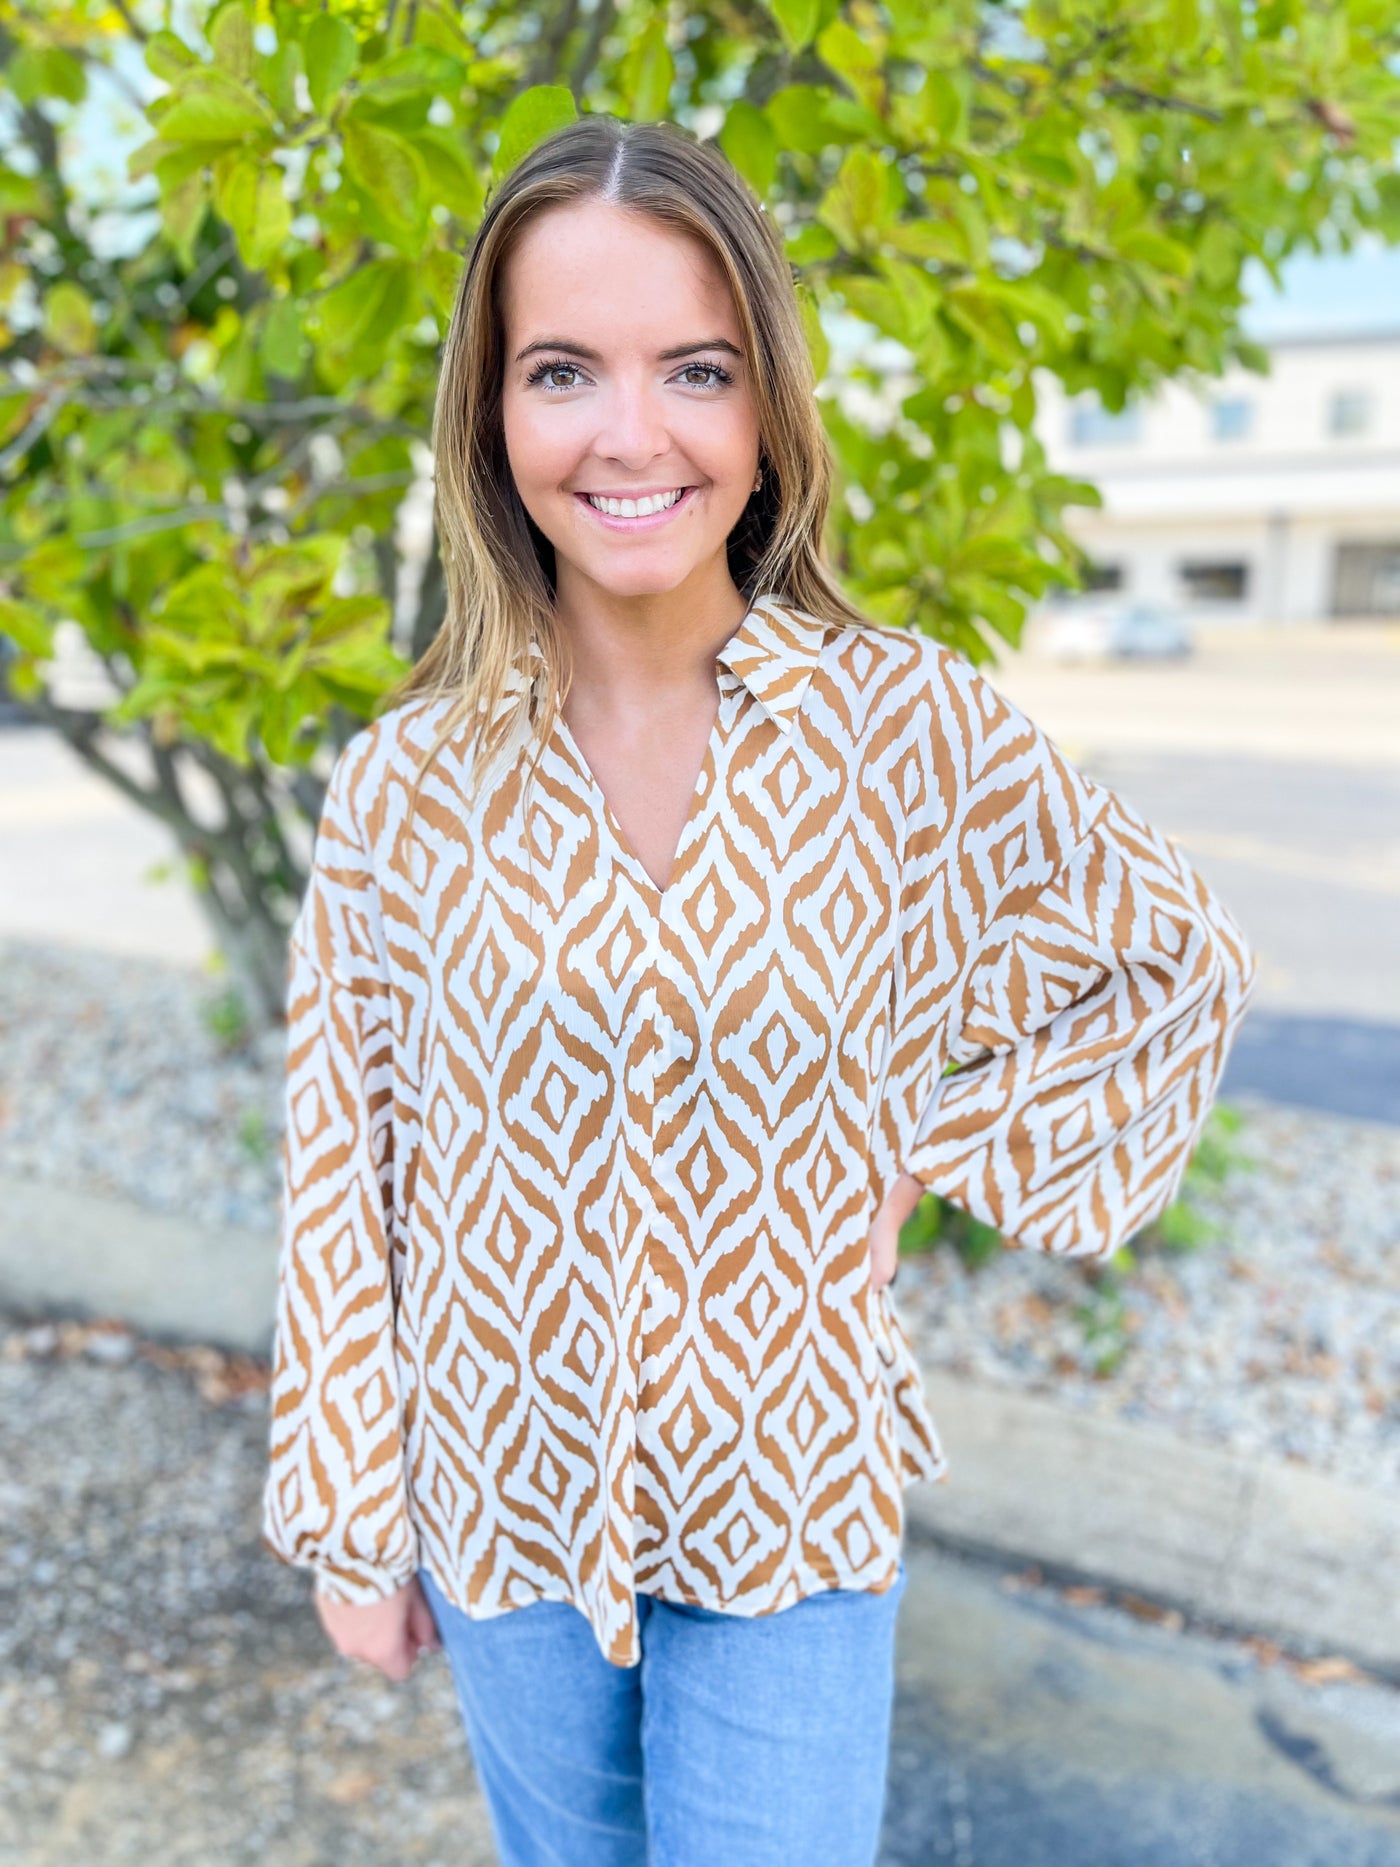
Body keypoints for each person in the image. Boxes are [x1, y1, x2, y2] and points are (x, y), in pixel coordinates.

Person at [261, 115, 1258, 1867]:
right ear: (491, 413)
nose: (630, 434)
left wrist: (920, 1146)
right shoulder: (406, 784)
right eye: (563, 370)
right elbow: (348, 1160)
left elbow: (1167, 963)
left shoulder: (903, 731)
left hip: (789, 1493)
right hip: (502, 1499)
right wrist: (358, 1521)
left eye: (695, 369)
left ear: (764, 405)